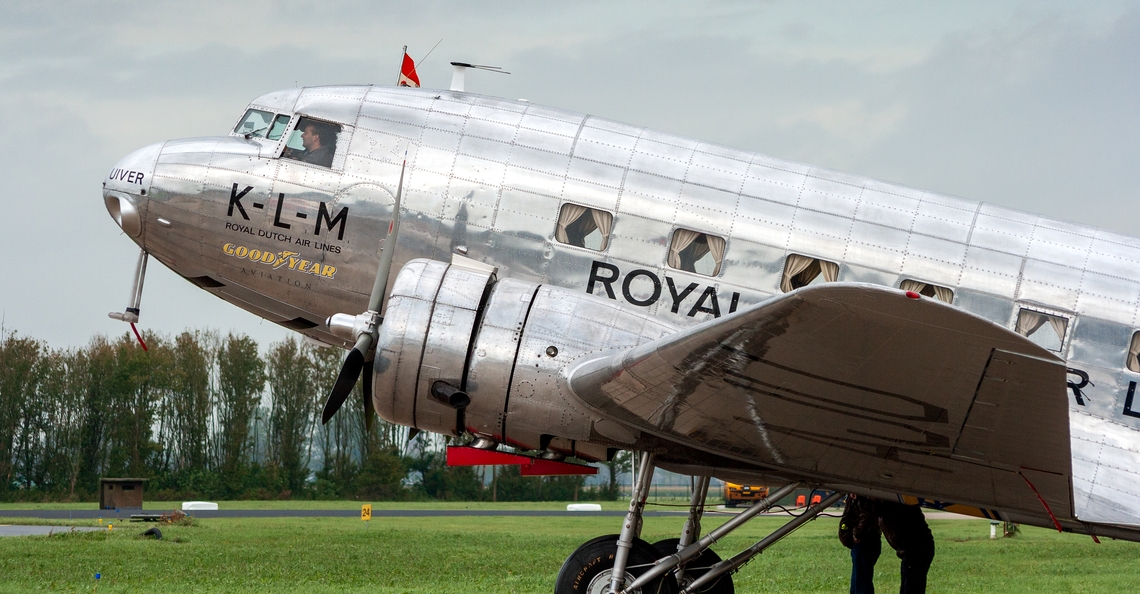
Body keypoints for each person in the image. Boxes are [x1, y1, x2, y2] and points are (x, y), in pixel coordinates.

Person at [839, 495, 935, 594]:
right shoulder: (892, 501)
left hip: (916, 547)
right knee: (909, 586)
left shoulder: (892, 502)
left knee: (911, 587)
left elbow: (871, 512)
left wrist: (860, 494)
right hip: (915, 547)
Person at [839, 494, 881, 594]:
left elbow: (867, 516)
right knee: (858, 581)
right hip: (864, 542)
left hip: (864, 542)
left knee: (861, 582)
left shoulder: (864, 497)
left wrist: (856, 534)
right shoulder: (858, 497)